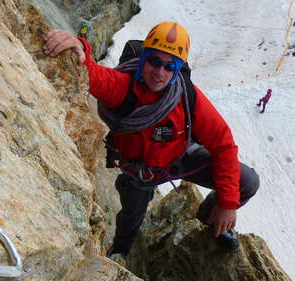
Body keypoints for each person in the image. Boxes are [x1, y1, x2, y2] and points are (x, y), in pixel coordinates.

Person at [43, 22, 260, 259]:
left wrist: (227, 203)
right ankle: (120, 252)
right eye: (154, 61)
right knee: (130, 222)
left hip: (179, 158)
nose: (160, 72)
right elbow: (92, 74)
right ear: (144, 58)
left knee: (247, 182)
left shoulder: (187, 97)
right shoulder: (123, 88)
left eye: (169, 66)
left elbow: (223, 144)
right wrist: (79, 48)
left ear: (178, 69)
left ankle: (209, 217)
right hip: (139, 171)